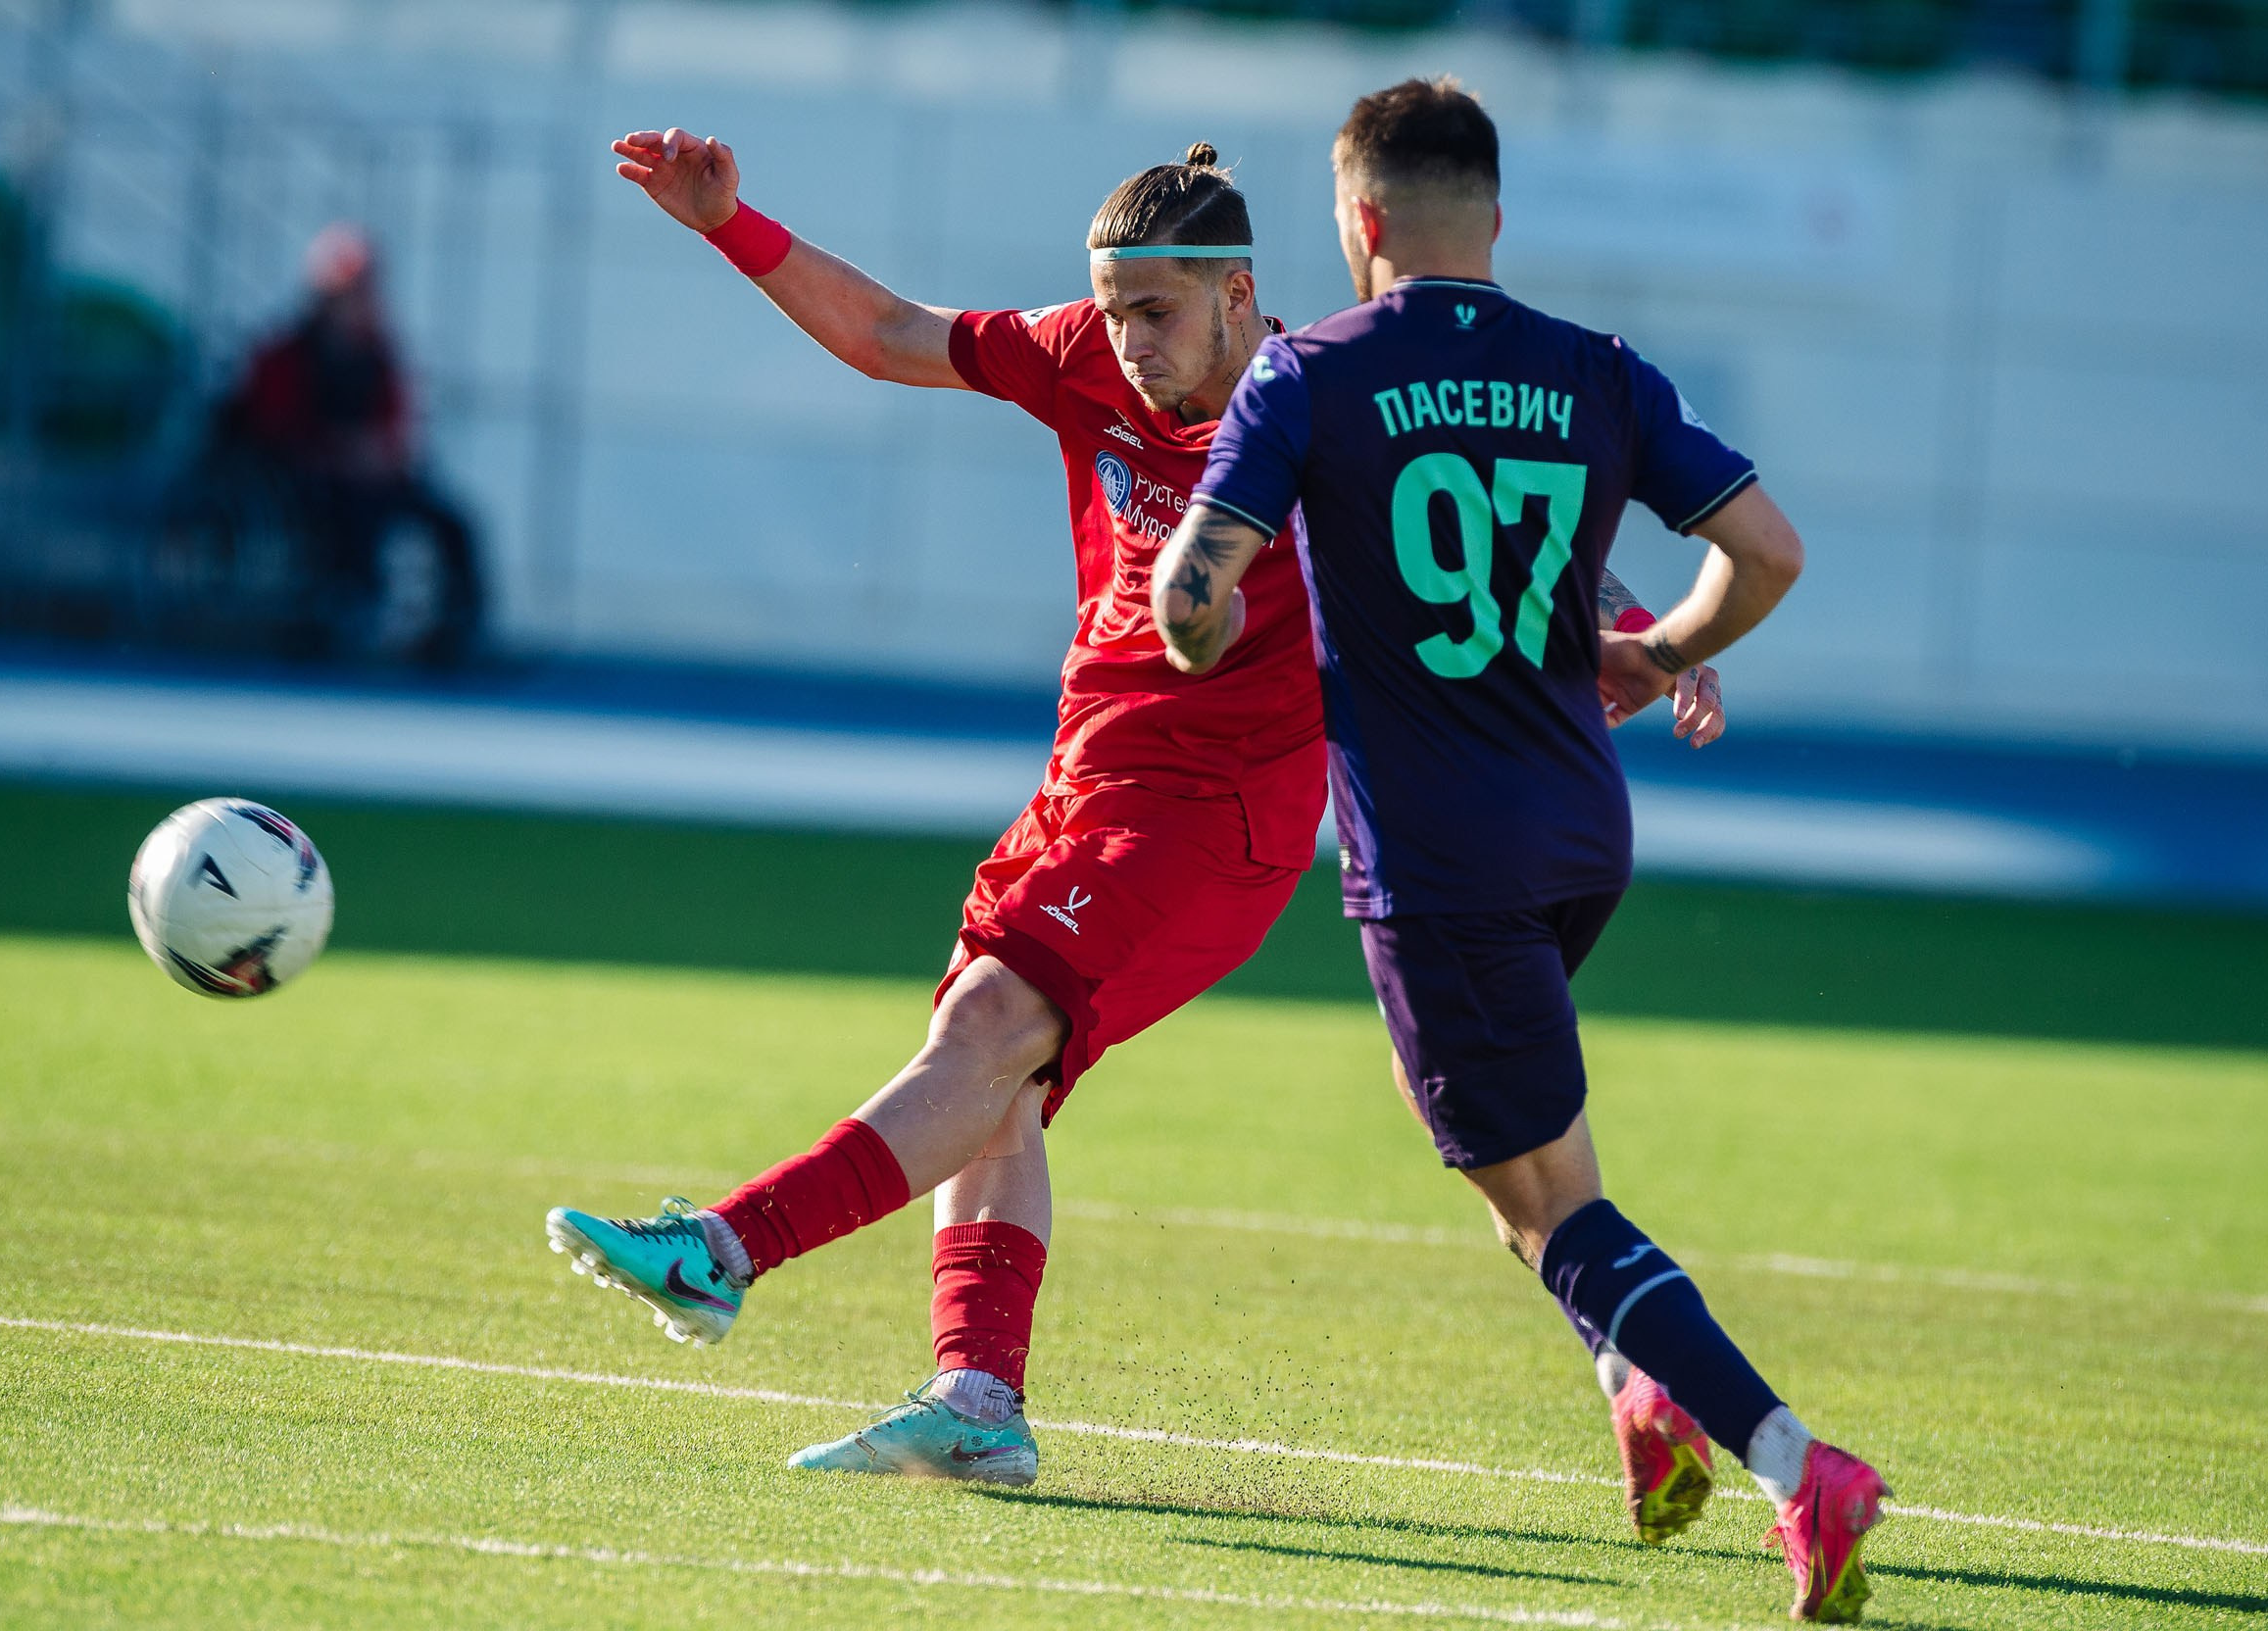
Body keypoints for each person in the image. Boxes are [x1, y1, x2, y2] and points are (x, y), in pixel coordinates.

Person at [545, 128, 1717, 1490]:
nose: (1127, 342)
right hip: (1081, 785)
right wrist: (726, 225)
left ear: (1237, 296)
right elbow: (883, 331)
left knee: (990, 1027)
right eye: (1112, 311)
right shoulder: (1085, 355)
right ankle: (978, 1396)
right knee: (996, 1080)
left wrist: (1645, 630)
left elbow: (1492, 525)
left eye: (1154, 312)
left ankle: (723, 1250)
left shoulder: (1325, 399)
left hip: (1219, 820)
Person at [1152, 79, 1886, 1623]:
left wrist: (1196, 618)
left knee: (1549, 1207)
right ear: (1492, 217)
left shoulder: (1306, 373)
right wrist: (1660, 644)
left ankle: (1791, 1461)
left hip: (1436, 855)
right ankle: (1640, 1398)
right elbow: (1768, 555)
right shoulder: (1593, 371)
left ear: (1358, 223)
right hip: (1577, 834)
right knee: (1528, 1190)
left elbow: (1193, 599)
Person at [213, 223, 482, 666]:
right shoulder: (285, 354)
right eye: (353, 292)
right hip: (304, 475)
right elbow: (275, 428)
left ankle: (455, 626)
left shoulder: (379, 356)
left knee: (453, 522)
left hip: (370, 473)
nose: (365, 302)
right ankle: (348, 609)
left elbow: (396, 427)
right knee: (352, 515)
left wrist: (377, 455)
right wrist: (337, 451)